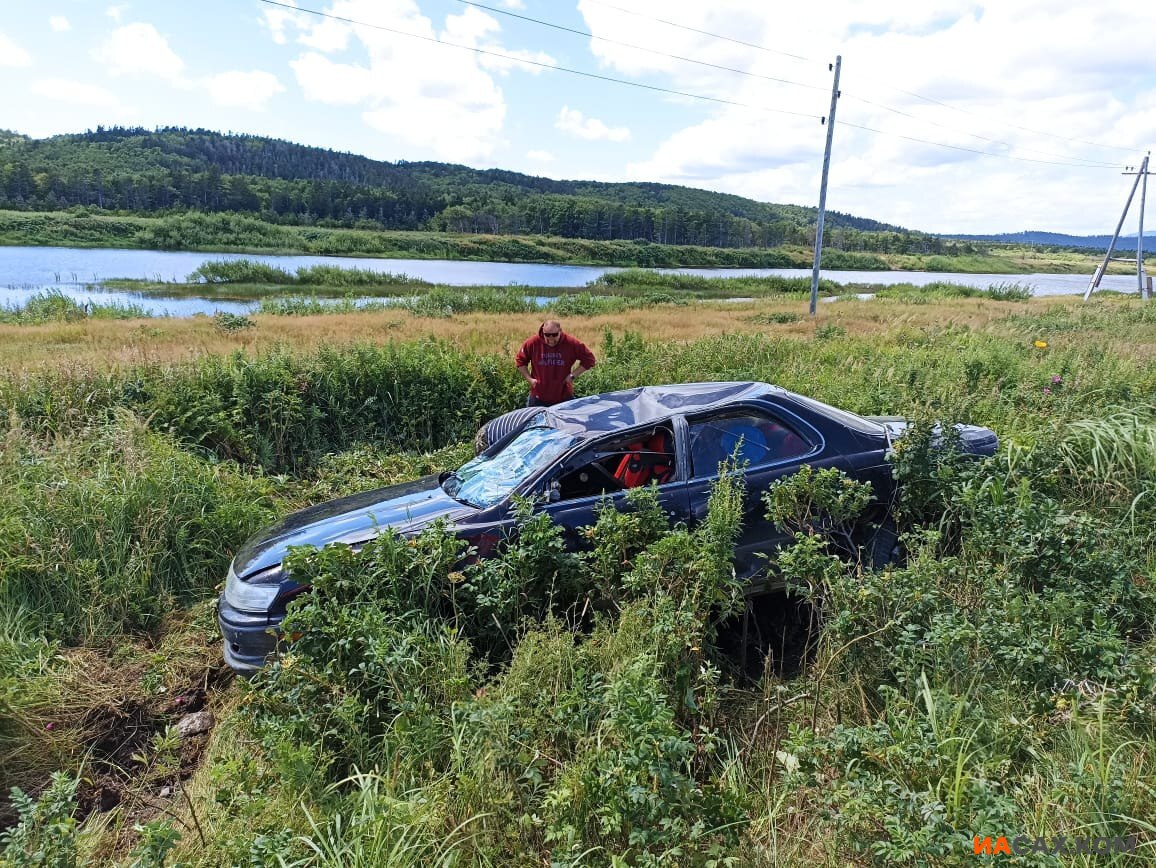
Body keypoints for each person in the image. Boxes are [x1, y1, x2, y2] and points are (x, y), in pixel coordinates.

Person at [515, 319, 596, 406]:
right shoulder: (533, 342)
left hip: (564, 397)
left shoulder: (571, 343)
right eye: (547, 335)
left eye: (554, 335)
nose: (551, 339)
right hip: (537, 397)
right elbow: (520, 361)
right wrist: (530, 380)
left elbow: (589, 359)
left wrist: (572, 375)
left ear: (560, 331)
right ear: (543, 331)